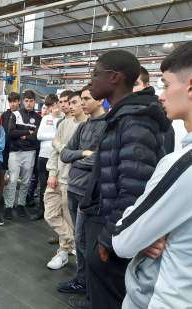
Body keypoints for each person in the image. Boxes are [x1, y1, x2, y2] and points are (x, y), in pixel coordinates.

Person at [80, 50, 172, 309]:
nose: (91, 81)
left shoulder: (135, 122)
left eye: (95, 74)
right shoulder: (122, 117)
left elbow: (135, 189)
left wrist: (109, 238)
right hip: (104, 221)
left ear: (114, 77)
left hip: (112, 230)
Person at [112, 41, 192, 309]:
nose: (161, 94)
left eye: (167, 84)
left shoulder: (182, 166)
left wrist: (143, 231)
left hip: (162, 297)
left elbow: (123, 239)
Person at [57, 85, 106, 299]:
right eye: (81, 99)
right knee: (79, 241)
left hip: (89, 192)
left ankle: (87, 285)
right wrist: (83, 153)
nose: (82, 103)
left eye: (86, 98)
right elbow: (65, 154)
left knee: (84, 240)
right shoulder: (84, 126)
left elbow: (99, 160)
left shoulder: (106, 125)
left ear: (100, 100)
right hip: (74, 187)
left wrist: (80, 158)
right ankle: (82, 280)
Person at [44, 91, 87, 270]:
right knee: (51, 214)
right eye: (66, 102)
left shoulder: (88, 126)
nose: (68, 106)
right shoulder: (64, 124)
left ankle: (63, 251)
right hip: (57, 177)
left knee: (68, 217)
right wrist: (52, 173)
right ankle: (75, 242)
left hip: (72, 181)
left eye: (72, 102)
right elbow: (55, 152)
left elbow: (79, 155)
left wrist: (61, 148)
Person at [3, 90, 42, 219]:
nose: (29, 103)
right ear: (23, 102)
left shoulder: (38, 118)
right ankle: (8, 206)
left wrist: (24, 135)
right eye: (27, 101)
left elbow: (37, 136)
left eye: (31, 101)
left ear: (34, 102)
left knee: (25, 181)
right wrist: (27, 132)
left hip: (30, 152)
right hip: (15, 152)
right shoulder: (15, 115)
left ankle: (21, 205)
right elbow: (11, 133)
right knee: (12, 181)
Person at [30, 94, 60, 221]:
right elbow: (39, 135)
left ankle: (53, 212)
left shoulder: (62, 119)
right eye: (50, 106)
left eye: (54, 105)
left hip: (57, 157)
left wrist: (54, 121)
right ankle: (41, 210)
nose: (53, 108)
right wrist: (53, 135)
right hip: (43, 156)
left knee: (55, 187)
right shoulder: (45, 118)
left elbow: (61, 136)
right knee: (42, 186)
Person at [133, 66, 175, 154]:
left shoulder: (158, 116)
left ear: (147, 85)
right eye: (126, 84)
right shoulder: (119, 113)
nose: (130, 89)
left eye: (134, 84)